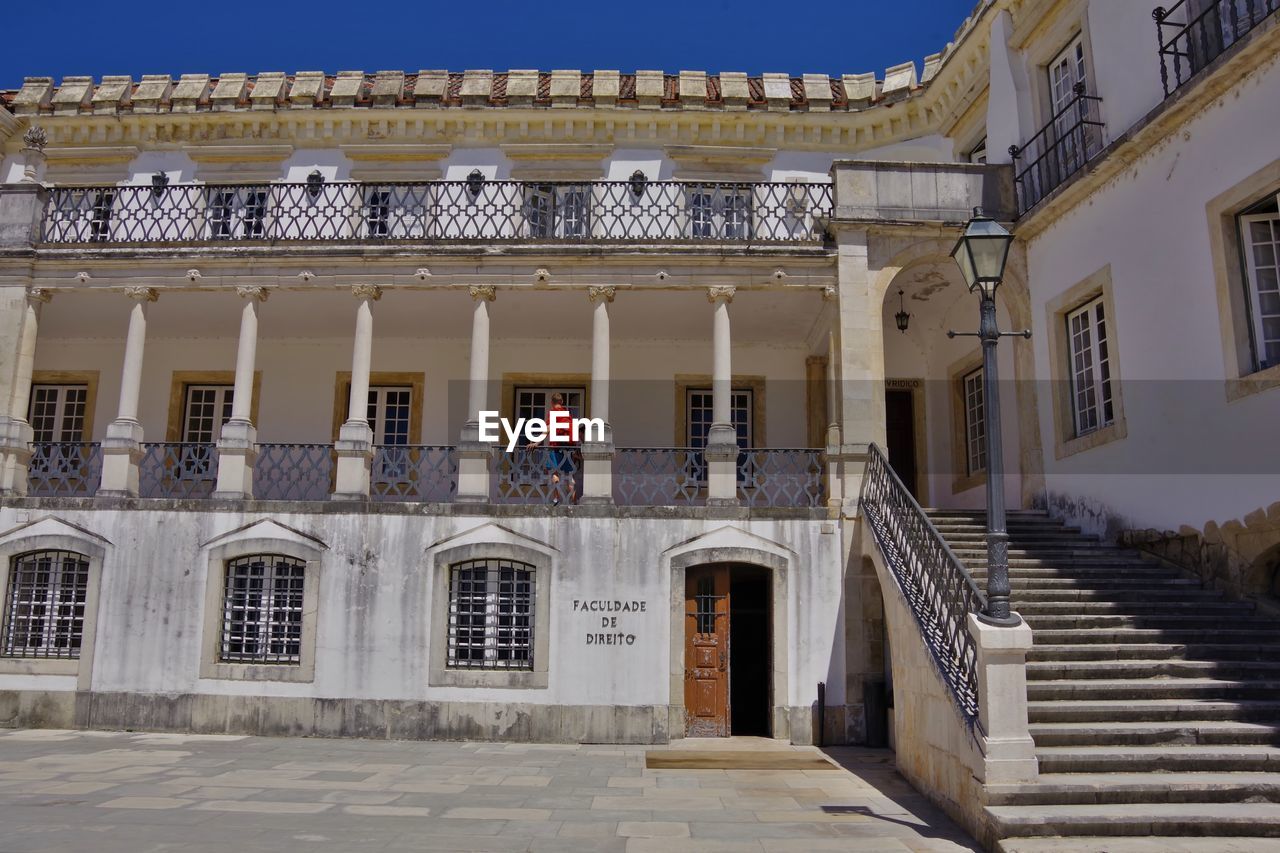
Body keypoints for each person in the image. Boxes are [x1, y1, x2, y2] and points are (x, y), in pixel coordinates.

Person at [529, 392, 578, 505]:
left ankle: (556, 498)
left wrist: (537, 443)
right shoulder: (567, 415)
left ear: (551, 403)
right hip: (568, 449)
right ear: (562, 402)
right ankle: (574, 501)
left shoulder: (553, 413)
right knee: (569, 476)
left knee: (555, 473)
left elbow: (548, 428)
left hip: (556, 448)